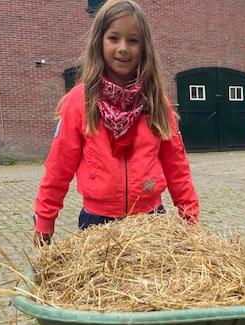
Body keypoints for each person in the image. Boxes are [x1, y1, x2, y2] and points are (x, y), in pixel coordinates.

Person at [33, 0, 199, 245]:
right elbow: (59, 167)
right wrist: (45, 221)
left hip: (150, 221)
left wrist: (191, 220)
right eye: (113, 38)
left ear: (145, 48)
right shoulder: (79, 101)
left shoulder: (155, 102)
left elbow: (177, 166)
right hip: (97, 223)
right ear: (99, 41)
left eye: (133, 40)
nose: (123, 48)